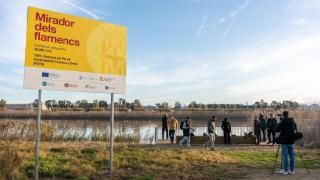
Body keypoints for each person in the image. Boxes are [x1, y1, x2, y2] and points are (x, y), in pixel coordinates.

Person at [275, 111, 296, 175]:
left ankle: (286, 170)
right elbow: (295, 130)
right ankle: (292, 170)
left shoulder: (282, 122)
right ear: (288, 115)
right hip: (291, 141)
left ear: (283, 115)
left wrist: (280, 122)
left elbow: (276, 129)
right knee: (292, 156)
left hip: (284, 141)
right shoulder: (293, 122)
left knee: (285, 156)